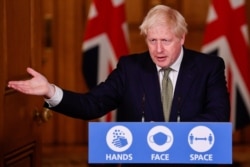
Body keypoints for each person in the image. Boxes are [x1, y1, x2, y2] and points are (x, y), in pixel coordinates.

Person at [8, 4, 230, 167]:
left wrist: (165, 134)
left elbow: (218, 116)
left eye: (166, 41)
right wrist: (50, 91)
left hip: (193, 160)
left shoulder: (208, 67)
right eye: (152, 41)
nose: (158, 50)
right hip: (142, 162)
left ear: (181, 38)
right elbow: (91, 105)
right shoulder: (130, 67)